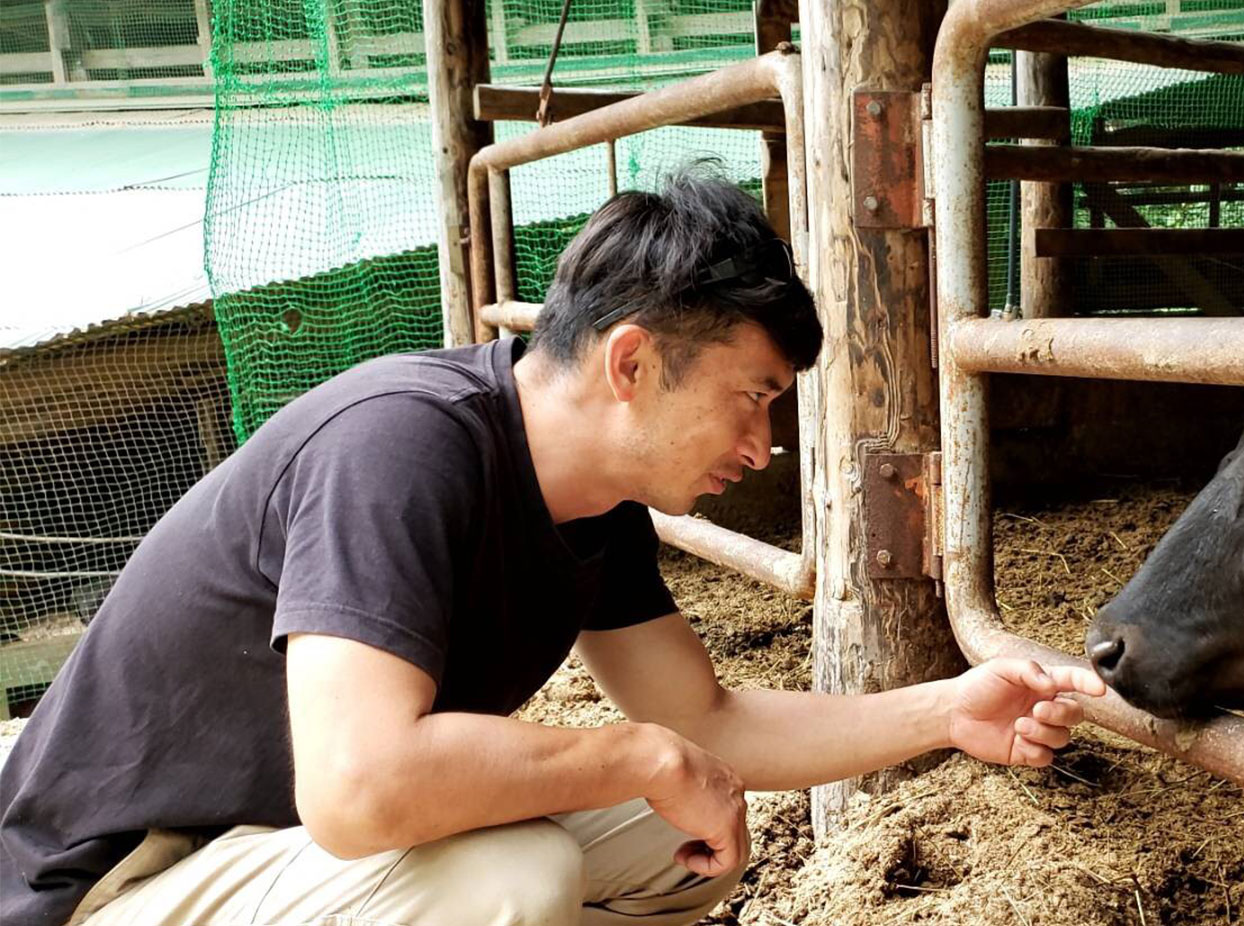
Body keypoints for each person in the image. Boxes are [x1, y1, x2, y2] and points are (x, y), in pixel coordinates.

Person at [0, 172, 1105, 926]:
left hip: (276, 845)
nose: (763, 448)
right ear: (631, 363)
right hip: (124, 875)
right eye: (751, 399)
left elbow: (703, 723)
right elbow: (360, 786)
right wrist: (635, 755)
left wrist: (948, 708)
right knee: (512, 873)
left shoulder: (595, 503)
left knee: (672, 832)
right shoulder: (400, 444)